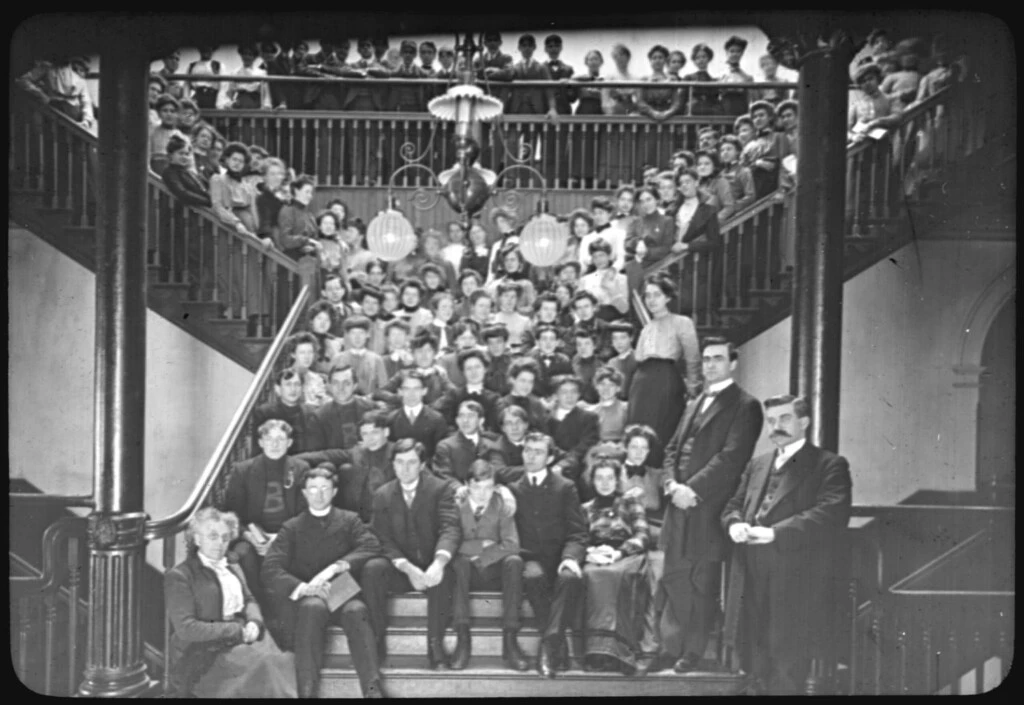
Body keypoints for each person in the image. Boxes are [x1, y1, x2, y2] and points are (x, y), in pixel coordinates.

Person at [721, 395, 853, 695]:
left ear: (803, 422)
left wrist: (775, 533)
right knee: (754, 657)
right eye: (771, 420)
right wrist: (734, 523)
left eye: (784, 418)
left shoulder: (828, 464)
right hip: (750, 573)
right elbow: (733, 504)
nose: (776, 427)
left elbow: (831, 514)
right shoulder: (758, 464)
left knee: (786, 664)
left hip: (795, 577)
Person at [656, 336, 763, 674]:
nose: (710, 365)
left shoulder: (746, 405)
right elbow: (672, 447)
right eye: (705, 360)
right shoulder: (695, 400)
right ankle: (673, 646)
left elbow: (732, 458)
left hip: (708, 506)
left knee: (702, 583)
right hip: (678, 503)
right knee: (674, 578)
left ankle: (694, 652)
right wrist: (671, 484)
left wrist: (693, 490)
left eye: (717, 359)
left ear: (733, 362)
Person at [260, 465, 385, 699]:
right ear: (305, 493)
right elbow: (271, 568)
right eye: (313, 489)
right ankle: (306, 691)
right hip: (309, 595)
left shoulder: (350, 520)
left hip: (341, 591)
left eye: (325, 488)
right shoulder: (292, 527)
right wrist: (303, 587)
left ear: (335, 491)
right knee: (312, 607)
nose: (319, 494)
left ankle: (372, 688)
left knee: (357, 610)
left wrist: (336, 567)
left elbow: (371, 545)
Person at [164, 508, 297, 698]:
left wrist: (254, 622)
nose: (220, 543)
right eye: (213, 536)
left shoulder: (232, 567)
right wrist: (235, 631)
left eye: (225, 538)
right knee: (266, 666)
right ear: (197, 539)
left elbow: (249, 600)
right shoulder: (181, 576)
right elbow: (186, 629)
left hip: (245, 636)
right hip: (207, 650)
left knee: (284, 662)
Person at [363, 439, 462, 669]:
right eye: (399, 462)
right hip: (402, 567)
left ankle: (435, 645)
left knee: (446, 572)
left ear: (422, 464)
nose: (405, 468)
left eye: (411, 462)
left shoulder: (440, 488)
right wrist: (406, 567)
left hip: (431, 565)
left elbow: (450, 527)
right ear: (393, 465)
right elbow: (382, 538)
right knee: (373, 569)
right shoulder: (382, 494)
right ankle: (376, 641)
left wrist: (438, 563)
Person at [506, 432, 588, 678]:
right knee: (532, 576)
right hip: (530, 558)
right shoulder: (512, 489)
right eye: (527, 450)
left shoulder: (565, 487)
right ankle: (556, 644)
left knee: (570, 579)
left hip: (560, 556)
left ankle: (550, 643)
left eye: (538, 451)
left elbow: (578, 533)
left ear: (550, 457)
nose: (530, 456)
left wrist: (570, 557)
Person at [448, 459, 529, 670]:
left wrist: (481, 556)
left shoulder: (502, 504)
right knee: (459, 563)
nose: (482, 494)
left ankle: (510, 640)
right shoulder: (456, 505)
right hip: (465, 573)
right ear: (466, 485)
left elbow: (512, 545)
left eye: (488, 488)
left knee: (514, 562)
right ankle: (462, 640)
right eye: (476, 487)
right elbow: (450, 542)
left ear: (495, 486)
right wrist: (479, 545)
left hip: (495, 572)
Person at [580, 459, 655, 675]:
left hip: (626, 555)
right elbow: (580, 538)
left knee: (618, 575)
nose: (605, 483)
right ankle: (598, 652)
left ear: (617, 480)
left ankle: (622, 652)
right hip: (597, 557)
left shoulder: (630, 502)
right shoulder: (585, 508)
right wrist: (591, 552)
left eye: (609, 478)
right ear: (592, 481)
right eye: (599, 478)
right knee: (594, 575)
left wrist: (620, 552)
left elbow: (643, 534)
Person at [222, 420, 311, 600]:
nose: (275, 444)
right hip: (254, 536)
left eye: (280, 439)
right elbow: (232, 515)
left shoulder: (301, 468)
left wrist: (280, 539)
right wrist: (250, 536)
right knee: (243, 552)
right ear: (261, 442)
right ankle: (258, 605)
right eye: (269, 439)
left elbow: (305, 512)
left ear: (289, 443)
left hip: (288, 534)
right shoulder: (243, 470)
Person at [626, 275, 702, 468]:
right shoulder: (646, 329)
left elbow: (692, 357)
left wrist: (693, 387)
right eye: (648, 296)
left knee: (660, 433)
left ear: (668, 297)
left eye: (657, 295)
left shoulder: (681, 322)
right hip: (641, 383)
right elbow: (639, 358)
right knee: (638, 432)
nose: (651, 300)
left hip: (665, 380)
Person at [294, 409, 396, 524]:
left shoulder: (397, 452)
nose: (370, 438)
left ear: (386, 432)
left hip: (387, 516)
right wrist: (291, 459)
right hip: (359, 516)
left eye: (375, 432)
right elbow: (327, 455)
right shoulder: (358, 452)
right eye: (365, 434)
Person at [544, 375, 601, 492]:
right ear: (556, 396)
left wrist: (563, 464)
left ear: (579, 395)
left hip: (575, 470)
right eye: (564, 392)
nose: (569, 396)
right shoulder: (545, 419)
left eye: (573, 392)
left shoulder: (589, 418)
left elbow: (584, 447)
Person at [306, 364, 378, 452]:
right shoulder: (319, 417)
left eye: (346, 383)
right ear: (330, 386)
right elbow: (316, 454)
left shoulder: (371, 409)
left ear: (355, 385)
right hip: (333, 464)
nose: (341, 388)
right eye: (336, 383)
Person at [376, 331, 454, 409]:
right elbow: (379, 392)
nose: (424, 355)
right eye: (419, 351)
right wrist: (401, 398)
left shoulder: (439, 375)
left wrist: (434, 406)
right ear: (413, 354)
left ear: (434, 354)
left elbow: (454, 394)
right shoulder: (403, 374)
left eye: (428, 350)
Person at [18, 55, 95, 130]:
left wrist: (87, 121)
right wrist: (42, 96)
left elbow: (86, 101)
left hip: (75, 116)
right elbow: (23, 81)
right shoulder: (47, 67)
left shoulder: (79, 76)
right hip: (53, 110)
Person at [432, 400, 500, 485]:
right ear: (457, 420)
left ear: (481, 421)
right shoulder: (445, 446)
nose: (465, 420)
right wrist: (459, 489)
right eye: (461, 416)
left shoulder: (491, 445)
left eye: (471, 416)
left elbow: (498, 473)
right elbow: (443, 475)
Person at [434, 348, 502, 432]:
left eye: (477, 367)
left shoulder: (494, 399)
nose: (474, 372)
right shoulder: (453, 396)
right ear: (463, 372)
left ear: (485, 369)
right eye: (469, 368)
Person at [386, 369, 450, 459]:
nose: (411, 394)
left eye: (416, 389)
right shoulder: (391, 419)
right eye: (407, 389)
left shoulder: (437, 419)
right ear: (400, 391)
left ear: (424, 391)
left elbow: (441, 454)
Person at [624, 186, 675, 295]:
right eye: (642, 201)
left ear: (657, 200)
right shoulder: (635, 222)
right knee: (635, 300)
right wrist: (638, 243)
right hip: (636, 268)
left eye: (649, 199)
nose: (646, 204)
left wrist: (647, 252)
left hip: (658, 268)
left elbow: (667, 248)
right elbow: (627, 243)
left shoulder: (667, 221)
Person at [251, 368, 315, 454]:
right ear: (278, 389)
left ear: (302, 388)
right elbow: (257, 450)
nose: (293, 389)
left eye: (297, 384)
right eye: (288, 384)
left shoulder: (311, 413)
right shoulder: (265, 413)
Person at [331, 316, 390, 398]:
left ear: (367, 334)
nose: (357, 337)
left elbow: (384, 389)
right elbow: (330, 387)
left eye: (361, 333)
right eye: (353, 333)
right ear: (348, 335)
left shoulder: (376, 359)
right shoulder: (338, 359)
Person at [621, 424, 666, 520]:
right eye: (634, 447)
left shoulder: (656, 475)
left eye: (644, 448)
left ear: (648, 451)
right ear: (625, 448)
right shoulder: (612, 473)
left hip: (653, 529)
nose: (639, 453)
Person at [578, 239, 629, 321]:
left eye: (601, 255)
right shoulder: (584, 280)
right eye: (595, 257)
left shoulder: (622, 278)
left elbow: (624, 309)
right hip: (593, 322)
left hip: (616, 322)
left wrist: (612, 291)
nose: (599, 260)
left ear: (609, 256)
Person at [498, 357, 550, 431]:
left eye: (530, 382)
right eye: (523, 381)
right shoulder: (502, 405)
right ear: (512, 380)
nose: (526, 386)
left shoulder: (537, 403)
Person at [744, 101, 782, 199]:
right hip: (754, 188)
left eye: (761, 115)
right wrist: (756, 163)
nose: (758, 119)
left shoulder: (779, 137)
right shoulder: (750, 144)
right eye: (755, 117)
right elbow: (742, 167)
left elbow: (784, 163)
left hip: (772, 187)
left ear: (770, 117)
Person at [162, 135, 212, 207]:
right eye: (181, 153)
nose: (184, 157)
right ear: (171, 154)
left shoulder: (187, 171)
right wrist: (207, 202)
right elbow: (182, 193)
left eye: (187, 154)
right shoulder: (169, 172)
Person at [219, 45, 272, 110]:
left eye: (250, 54)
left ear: (254, 57)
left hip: (256, 104)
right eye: (245, 54)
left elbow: (266, 93)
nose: (247, 57)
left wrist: (266, 106)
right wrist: (229, 103)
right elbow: (229, 92)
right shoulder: (235, 73)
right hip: (240, 104)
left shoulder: (262, 73)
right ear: (241, 55)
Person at [528, 325, 573, 399]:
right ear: (537, 342)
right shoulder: (530, 360)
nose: (548, 343)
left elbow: (568, 384)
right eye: (544, 339)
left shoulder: (564, 360)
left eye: (552, 339)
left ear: (557, 342)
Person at [585, 366, 629, 442]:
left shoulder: (626, 408)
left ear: (618, 388)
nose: (606, 388)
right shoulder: (589, 412)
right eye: (602, 384)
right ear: (596, 386)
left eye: (611, 385)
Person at [695, 150, 738, 222]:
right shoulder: (696, 183)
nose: (702, 167)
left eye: (707, 164)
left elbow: (729, 207)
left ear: (714, 166)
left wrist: (713, 222)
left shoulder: (721, 182)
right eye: (699, 164)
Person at [491, 282, 533, 353]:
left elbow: (528, 344)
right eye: (506, 296)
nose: (509, 300)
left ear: (517, 299)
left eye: (513, 297)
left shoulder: (525, 321)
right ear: (500, 298)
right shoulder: (492, 319)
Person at [719, 135, 756, 212]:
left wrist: (734, 206)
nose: (725, 152)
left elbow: (750, 196)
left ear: (737, 151)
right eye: (722, 150)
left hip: (734, 213)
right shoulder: (720, 173)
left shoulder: (744, 171)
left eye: (729, 149)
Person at [719, 36, 754, 116]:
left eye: (738, 51)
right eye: (732, 51)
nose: (735, 54)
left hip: (742, 108)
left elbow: (750, 97)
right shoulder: (721, 76)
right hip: (725, 109)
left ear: (742, 53)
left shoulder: (747, 77)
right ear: (727, 53)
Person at [682, 44, 720, 116]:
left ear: (708, 58)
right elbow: (683, 99)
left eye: (704, 56)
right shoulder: (688, 78)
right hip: (692, 112)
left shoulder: (714, 81)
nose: (701, 60)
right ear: (694, 61)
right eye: (697, 58)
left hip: (709, 113)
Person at [606, 321, 637, 401]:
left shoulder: (639, 358)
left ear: (631, 338)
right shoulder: (611, 363)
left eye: (623, 337)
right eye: (615, 338)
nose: (618, 342)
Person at [482, 324, 513, 396]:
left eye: (499, 342)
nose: (495, 346)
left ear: (505, 343)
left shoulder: (514, 364)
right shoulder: (482, 364)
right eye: (491, 343)